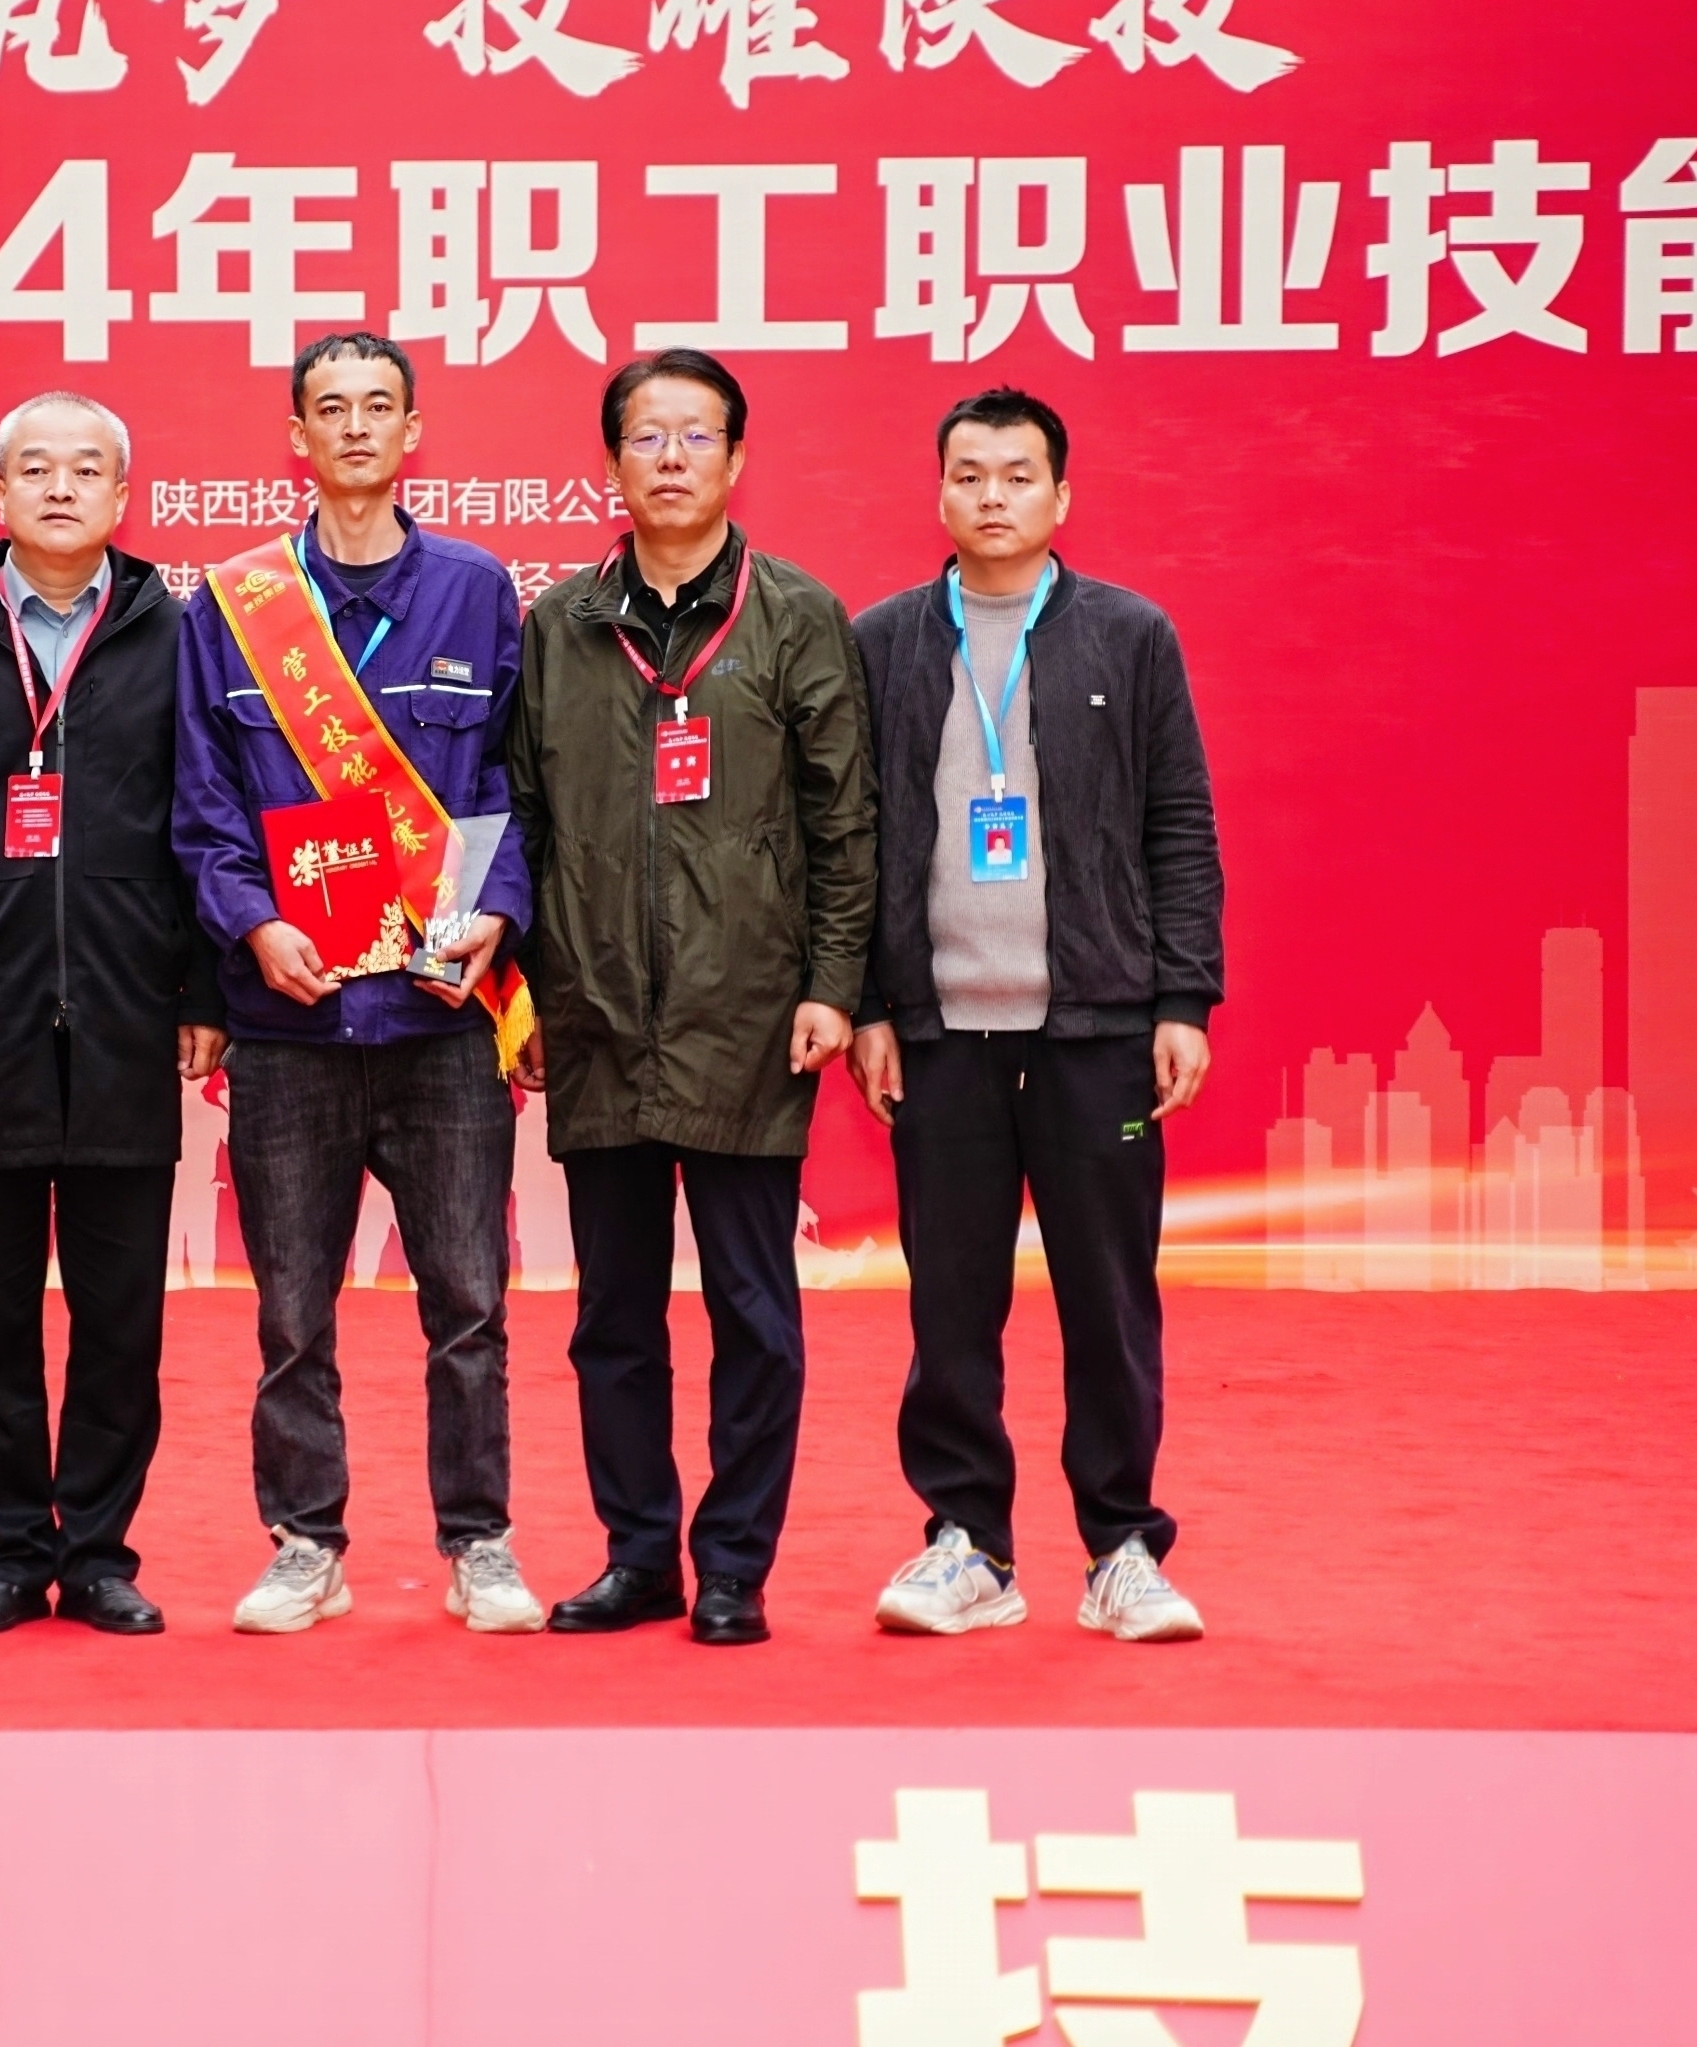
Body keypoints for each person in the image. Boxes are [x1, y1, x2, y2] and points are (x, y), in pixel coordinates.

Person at [172, 333, 546, 1636]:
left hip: (440, 1022)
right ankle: (304, 1543)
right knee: (291, 1313)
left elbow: (511, 785)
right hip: (291, 1021)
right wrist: (253, 927)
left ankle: (479, 1542)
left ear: (411, 429)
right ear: (296, 435)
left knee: (469, 1306)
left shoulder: (477, 592)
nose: (352, 427)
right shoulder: (229, 607)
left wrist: (496, 913)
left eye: (376, 405)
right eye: (328, 408)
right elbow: (203, 808)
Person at [507, 348, 878, 1647]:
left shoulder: (795, 616)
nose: (669, 458)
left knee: (751, 1314)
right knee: (610, 1319)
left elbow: (845, 822)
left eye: (694, 435)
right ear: (610, 462)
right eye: (645, 436)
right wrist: (528, 997)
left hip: (748, 1019)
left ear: (736, 458)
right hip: (598, 1017)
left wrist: (832, 984)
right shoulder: (559, 625)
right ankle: (636, 1557)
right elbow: (523, 825)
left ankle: (732, 1566)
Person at [849, 385, 1223, 1644]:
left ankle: (1122, 1547)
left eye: (1017, 475)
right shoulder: (885, 641)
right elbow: (849, 837)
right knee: (949, 1303)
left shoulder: (1127, 634)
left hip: (1096, 1028)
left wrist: (1181, 996)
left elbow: (1179, 822)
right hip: (939, 1032)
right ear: (938, 492)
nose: (991, 496)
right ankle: (968, 1543)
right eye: (968, 475)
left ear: (1061, 494)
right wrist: (867, 1001)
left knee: (1106, 1302)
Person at [0, 391, 226, 1638]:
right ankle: (11, 1553)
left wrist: (203, 987)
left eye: (84, 470)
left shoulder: (180, 636)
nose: (59, 488)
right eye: (34, 468)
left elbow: (208, 825)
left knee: (121, 1322)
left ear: (122, 497)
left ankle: (101, 1553)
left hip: (127, 1015)